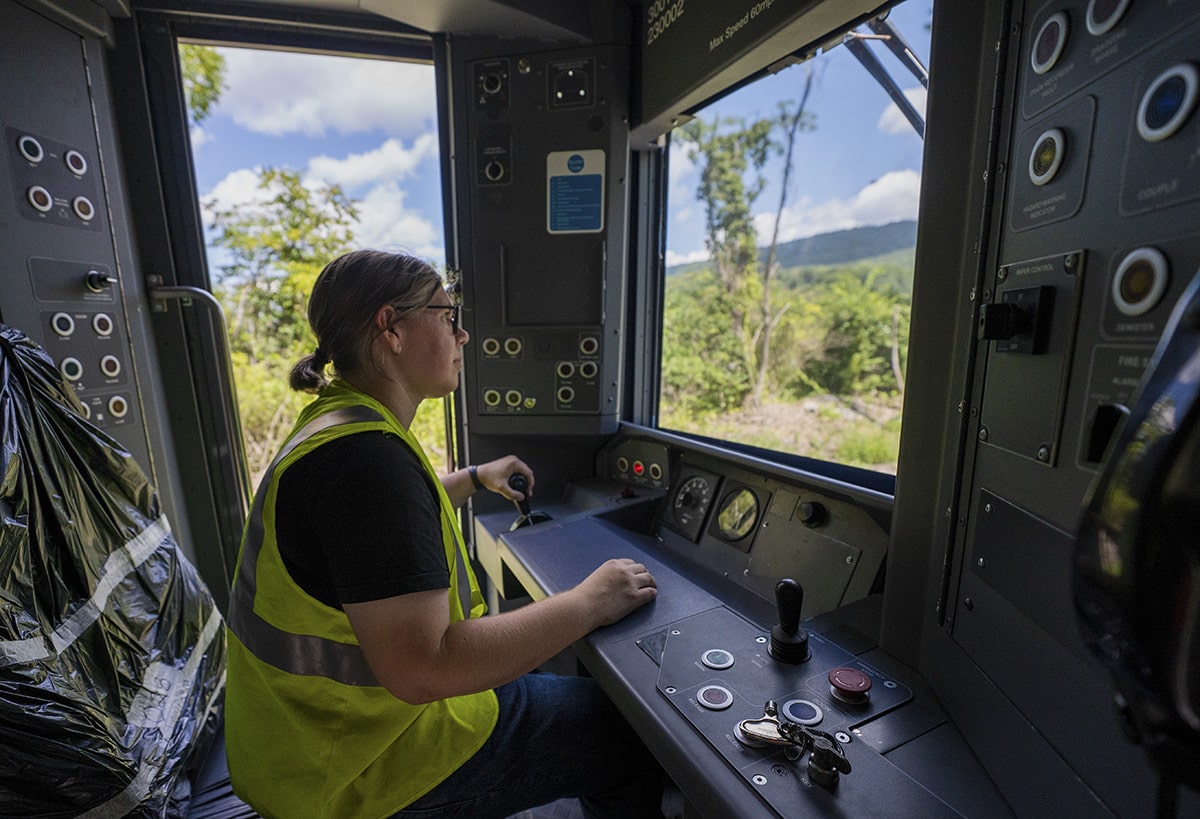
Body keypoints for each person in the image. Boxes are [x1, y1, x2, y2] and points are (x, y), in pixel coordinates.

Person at [224, 249, 663, 819]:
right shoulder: (368, 463)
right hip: (364, 769)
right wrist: (589, 601)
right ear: (391, 329)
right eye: (447, 316)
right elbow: (426, 668)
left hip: (306, 748)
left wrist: (476, 478)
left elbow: (374, 533)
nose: (465, 336)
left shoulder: (338, 425)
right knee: (630, 736)